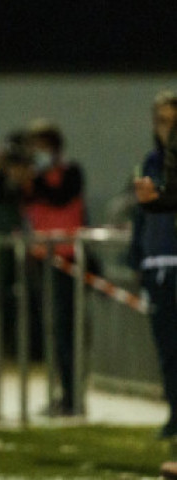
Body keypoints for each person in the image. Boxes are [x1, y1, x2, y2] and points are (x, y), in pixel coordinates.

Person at [20, 120, 88, 416]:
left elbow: (60, 197)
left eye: (41, 146)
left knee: (67, 332)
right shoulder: (30, 178)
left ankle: (73, 397)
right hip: (41, 260)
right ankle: (62, 395)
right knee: (51, 331)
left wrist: (37, 177)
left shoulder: (70, 172)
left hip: (67, 260)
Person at [130, 90, 177, 439]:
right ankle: (175, 412)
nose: (167, 129)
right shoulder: (150, 162)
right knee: (167, 349)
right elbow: (142, 213)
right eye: (162, 122)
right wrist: (137, 256)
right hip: (157, 261)